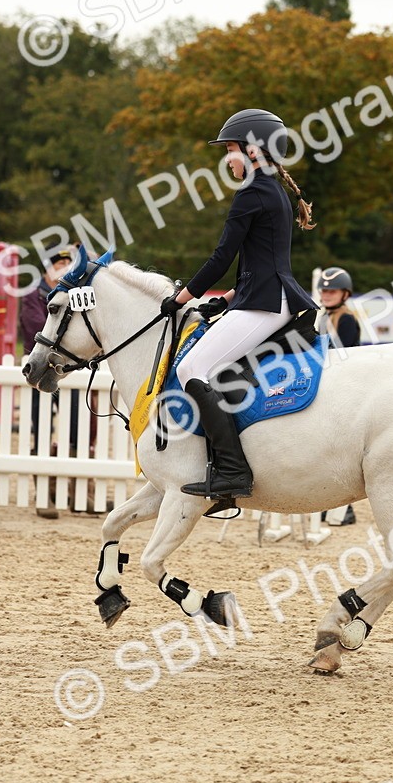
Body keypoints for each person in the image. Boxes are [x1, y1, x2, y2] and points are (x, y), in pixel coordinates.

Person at [159, 108, 319, 500]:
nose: (226, 159)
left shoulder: (252, 194)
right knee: (213, 370)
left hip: (265, 304)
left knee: (194, 367)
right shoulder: (271, 191)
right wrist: (227, 299)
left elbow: (221, 257)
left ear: (253, 151)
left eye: (230, 149)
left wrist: (180, 298)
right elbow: (258, 261)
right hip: (263, 297)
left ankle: (232, 471)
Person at [20, 247, 78, 519]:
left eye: (68, 263)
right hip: (42, 370)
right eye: (60, 263)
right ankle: (45, 492)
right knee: (42, 429)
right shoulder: (34, 295)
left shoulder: (73, 295)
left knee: (77, 431)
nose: (64, 267)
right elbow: (36, 328)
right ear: (47, 269)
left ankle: (77, 491)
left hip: (68, 369)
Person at [316, 266, 361, 526]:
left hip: (344, 381)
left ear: (344, 293)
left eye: (332, 291)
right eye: (324, 290)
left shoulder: (346, 319)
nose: (327, 294)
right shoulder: (322, 317)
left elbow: (345, 352)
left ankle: (345, 509)